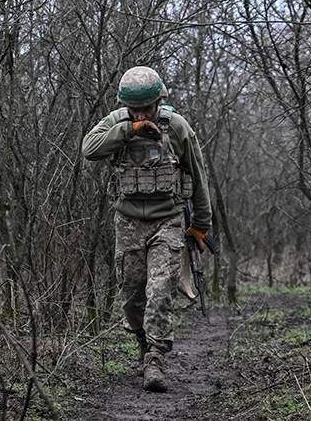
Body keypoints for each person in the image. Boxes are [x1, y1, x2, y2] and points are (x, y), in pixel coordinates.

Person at [81, 66, 212, 392]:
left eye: (146, 108)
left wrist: (201, 224)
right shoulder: (116, 122)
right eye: (134, 108)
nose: (141, 113)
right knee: (132, 293)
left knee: (159, 289)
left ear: (159, 101)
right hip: (128, 223)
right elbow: (89, 149)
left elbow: (198, 176)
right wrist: (129, 129)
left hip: (167, 220)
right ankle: (143, 343)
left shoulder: (177, 127)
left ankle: (155, 357)